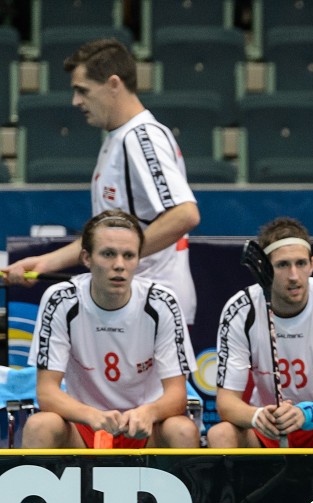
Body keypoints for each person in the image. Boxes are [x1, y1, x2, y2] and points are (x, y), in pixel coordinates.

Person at [3, 38, 200, 325]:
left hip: (150, 306)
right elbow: (108, 238)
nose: (76, 101)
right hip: (132, 303)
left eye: (82, 91)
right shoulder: (120, 137)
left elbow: (185, 214)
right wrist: (45, 263)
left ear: (113, 84)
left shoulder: (140, 138)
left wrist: (121, 258)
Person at [22, 209, 199, 449]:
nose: (119, 265)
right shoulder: (61, 300)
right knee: (40, 425)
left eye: (128, 255)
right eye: (108, 254)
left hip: (144, 427)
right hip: (85, 425)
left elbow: (177, 394)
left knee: (182, 429)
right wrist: (91, 415)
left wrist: (149, 412)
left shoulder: (161, 302)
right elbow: (47, 392)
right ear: (86, 258)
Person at [207, 218, 313, 449]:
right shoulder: (242, 309)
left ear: (312, 264)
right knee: (220, 434)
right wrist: (257, 416)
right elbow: (226, 403)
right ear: (264, 269)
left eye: (301, 263)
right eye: (283, 265)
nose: (294, 275)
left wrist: (309, 414)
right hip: (268, 427)